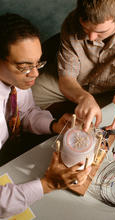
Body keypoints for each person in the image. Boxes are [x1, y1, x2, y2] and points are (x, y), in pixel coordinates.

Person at [0, 13, 91, 218]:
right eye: (23, 67)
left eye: (37, 64)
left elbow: (26, 112)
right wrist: (48, 184)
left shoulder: (17, 80)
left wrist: (53, 125)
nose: (35, 75)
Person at [32, 0, 115, 132]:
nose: (91, 37)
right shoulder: (72, 21)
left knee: (96, 133)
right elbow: (67, 76)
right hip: (74, 81)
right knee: (24, 97)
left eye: (100, 32)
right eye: (86, 29)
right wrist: (83, 97)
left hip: (113, 92)